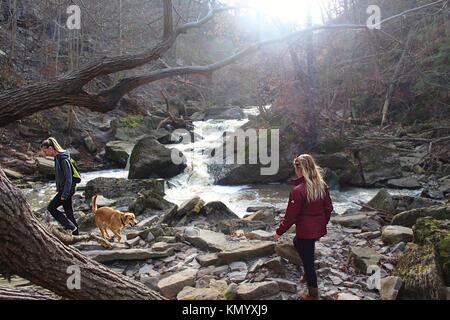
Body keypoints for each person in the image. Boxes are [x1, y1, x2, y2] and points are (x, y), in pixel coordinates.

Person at [274, 154, 334, 300]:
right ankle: (308, 272)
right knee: (297, 243)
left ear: (298, 169)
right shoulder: (321, 186)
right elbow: (329, 208)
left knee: (308, 261)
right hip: (316, 229)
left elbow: (290, 217)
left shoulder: (298, 191)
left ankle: (313, 293)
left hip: (306, 231)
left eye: (295, 168)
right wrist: (322, 224)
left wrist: (279, 232)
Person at [40, 137, 79, 235]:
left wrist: (64, 194)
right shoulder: (57, 158)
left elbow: (69, 179)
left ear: (51, 148)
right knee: (68, 211)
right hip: (64, 189)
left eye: (45, 151)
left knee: (51, 208)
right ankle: (76, 233)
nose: (44, 154)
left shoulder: (63, 159)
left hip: (67, 189)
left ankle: (70, 226)